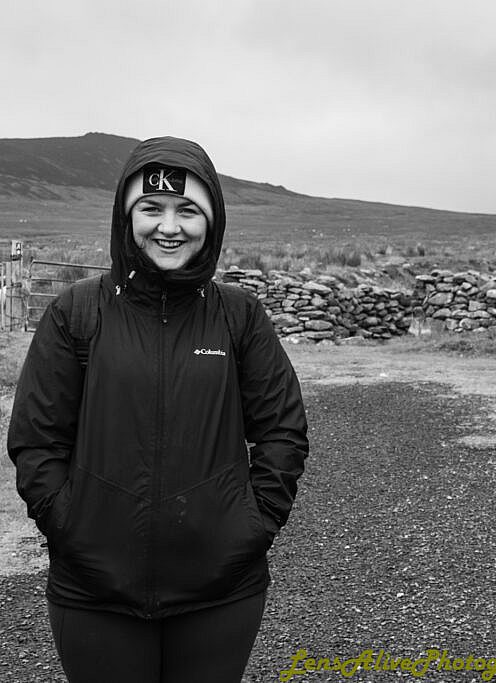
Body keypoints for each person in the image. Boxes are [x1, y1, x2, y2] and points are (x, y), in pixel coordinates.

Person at [7, 136, 309, 682]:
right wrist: (67, 524)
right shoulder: (77, 312)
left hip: (221, 589)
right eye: (151, 208)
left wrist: (253, 525)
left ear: (211, 220)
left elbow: (282, 431)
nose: (169, 226)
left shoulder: (239, 317)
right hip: (94, 591)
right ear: (127, 217)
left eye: (187, 210)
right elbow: (37, 439)